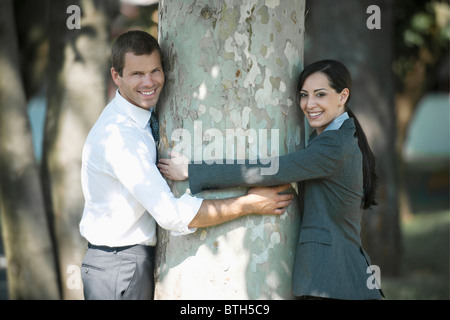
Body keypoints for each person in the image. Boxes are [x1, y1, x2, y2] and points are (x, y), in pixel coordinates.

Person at [79, 30, 293, 300]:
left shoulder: (136, 118)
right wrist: (247, 204)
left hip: (120, 264)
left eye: (155, 70)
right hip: (119, 267)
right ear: (116, 76)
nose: (149, 82)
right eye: (136, 74)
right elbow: (171, 215)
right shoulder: (122, 137)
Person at [158, 60, 384, 300]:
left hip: (335, 281)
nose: (310, 104)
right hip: (339, 279)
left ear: (343, 96)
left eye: (320, 94)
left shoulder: (334, 145)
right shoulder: (335, 137)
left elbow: (271, 169)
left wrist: (193, 171)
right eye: (304, 95)